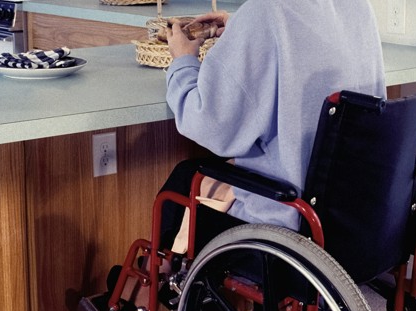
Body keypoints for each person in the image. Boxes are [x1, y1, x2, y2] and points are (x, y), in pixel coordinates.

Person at [161, 0, 386, 248]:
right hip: (353, 218)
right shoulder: (359, 7)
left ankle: (151, 279)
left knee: (183, 179)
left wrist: (183, 60)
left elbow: (207, 123)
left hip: (288, 225)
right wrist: (243, 30)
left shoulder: (265, 11)